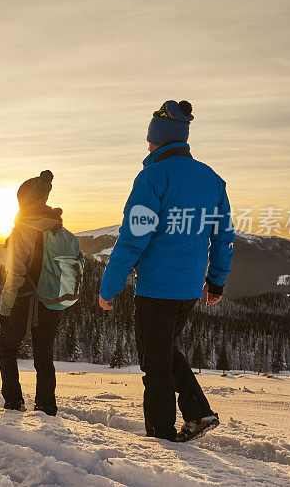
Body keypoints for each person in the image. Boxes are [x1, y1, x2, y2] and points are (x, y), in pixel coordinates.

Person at [99, 100, 235, 442]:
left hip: (156, 289)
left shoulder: (152, 177)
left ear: (159, 138)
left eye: (149, 138)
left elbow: (132, 239)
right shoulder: (212, 179)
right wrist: (215, 282)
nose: (146, 145)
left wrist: (109, 286)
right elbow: (223, 238)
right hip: (189, 290)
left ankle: (161, 436)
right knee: (163, 351)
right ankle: (199, 412)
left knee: (155, 363)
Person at [0, 171, 72, 416]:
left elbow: (15, 276)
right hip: (53, 301)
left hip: (25, 303)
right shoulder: (58, 229)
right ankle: (46, 406)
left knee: (7, 349)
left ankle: (13, 402)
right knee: (44, 355)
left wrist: (5, 309)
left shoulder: (23, 231)